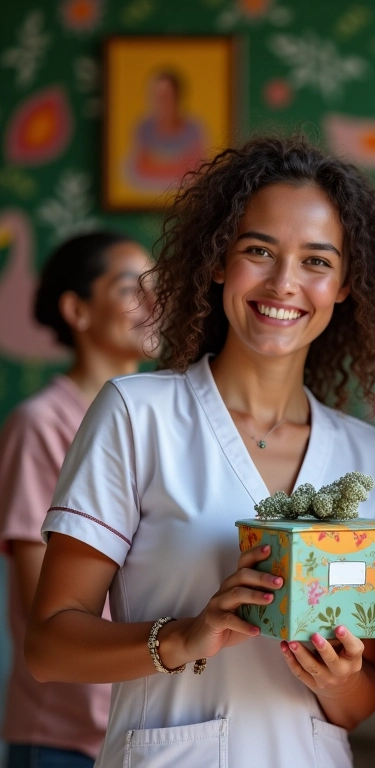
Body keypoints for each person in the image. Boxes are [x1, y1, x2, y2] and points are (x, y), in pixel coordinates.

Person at [24, 134, 375, 767]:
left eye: (316, 261)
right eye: (259, 250)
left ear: (344, 284)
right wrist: (186, 636)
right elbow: (48, 645)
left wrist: (340, 678)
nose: (285, 283)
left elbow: (361, 698)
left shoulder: (368, 456)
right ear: (217, 262)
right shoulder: (136, 414)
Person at [0, 231, 155, 768]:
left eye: (153, 285)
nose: (152, 301)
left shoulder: (161, 424)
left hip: (146, 722)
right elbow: (39, 601)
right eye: (128, 287)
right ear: (77, 310)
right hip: (66, 737)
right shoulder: (41, 424)